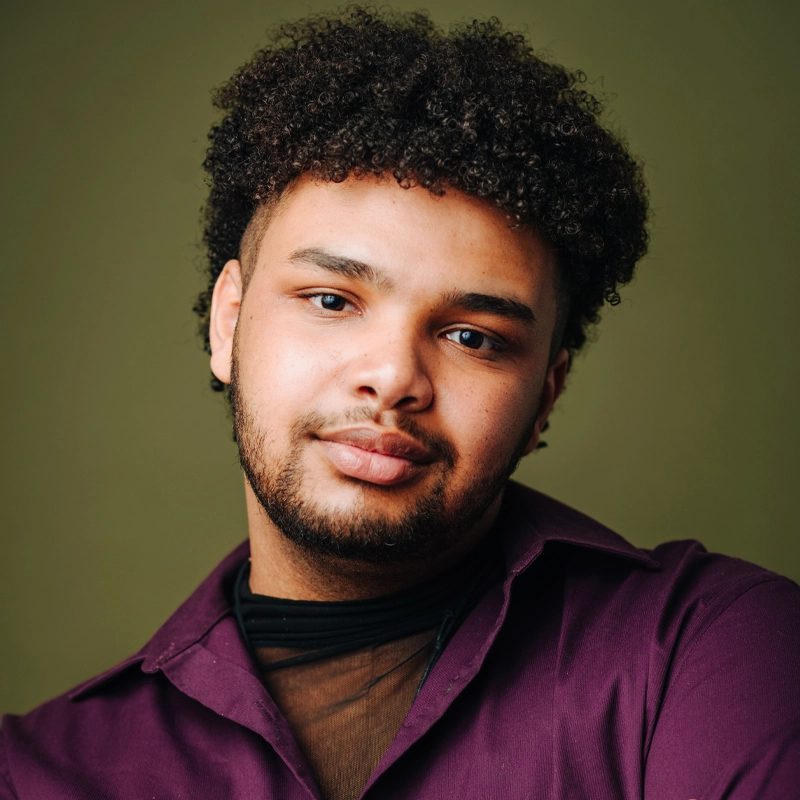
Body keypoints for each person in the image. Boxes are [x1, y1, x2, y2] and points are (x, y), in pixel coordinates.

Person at [2, 7, 798, 799]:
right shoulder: (35, 773)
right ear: (228, 323)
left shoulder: (710, 653)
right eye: (331, 300)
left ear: (546, 395)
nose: (392, 378)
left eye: (473, 338)